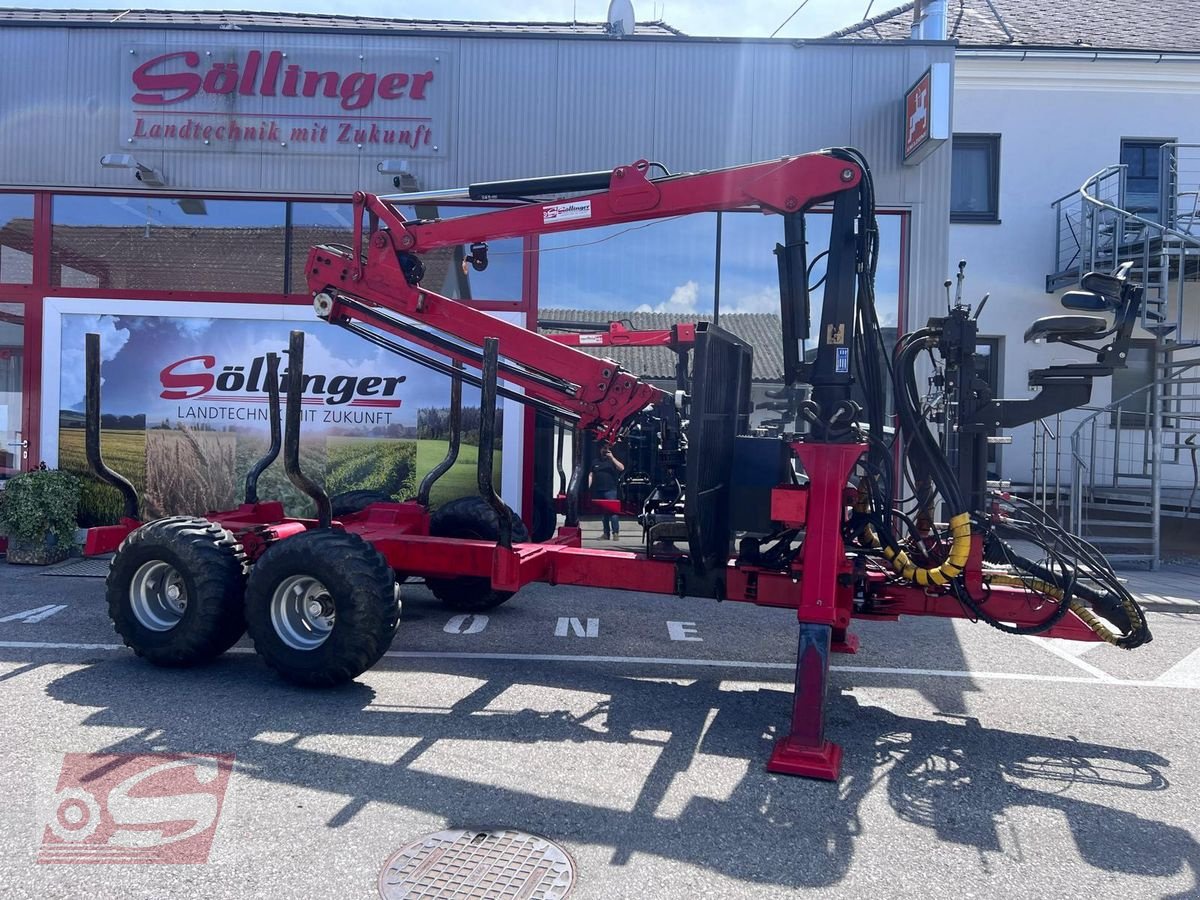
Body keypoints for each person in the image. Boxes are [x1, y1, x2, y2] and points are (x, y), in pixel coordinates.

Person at [588, 443, 625, 540]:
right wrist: (588, 487)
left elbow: (621, 468)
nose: (605, 451)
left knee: (613, 512)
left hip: (610, 490)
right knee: (604, 513)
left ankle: (615, 533)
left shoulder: (612, 461)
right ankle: (606, 534)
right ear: (600, 450)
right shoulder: (595, 462)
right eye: (603, 449)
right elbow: (591, 475)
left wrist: (612, 457)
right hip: (599, 490)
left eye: (607, 449)